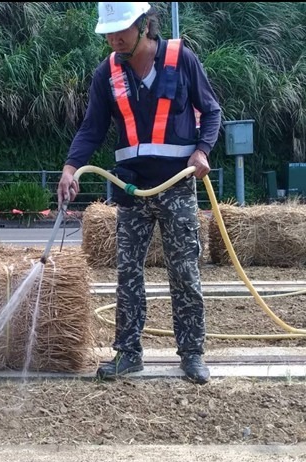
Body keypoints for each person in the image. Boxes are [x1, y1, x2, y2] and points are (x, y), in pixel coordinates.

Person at [56, 2, 222, 384]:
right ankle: (128, 354)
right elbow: (91, 129)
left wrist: (202, 151)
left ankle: (192, 354)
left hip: (176, 185)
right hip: (131, 188)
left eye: (121, 31)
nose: (114, 39)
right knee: (128, 274)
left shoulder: (182, 59)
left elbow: (211, 111)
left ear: (144, 25)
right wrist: (70, 168)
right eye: (109, 34)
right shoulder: (107, 73)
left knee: (184, 272)